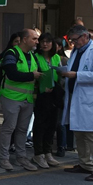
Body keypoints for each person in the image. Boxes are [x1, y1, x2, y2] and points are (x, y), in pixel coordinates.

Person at [60, 25, 93, 181]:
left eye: (75, 40)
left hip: (90, 100)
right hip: (76, 97)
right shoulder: (76, 51)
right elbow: (77, 67)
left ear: (85, 36)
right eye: (71, 40)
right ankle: (85, 164)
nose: (73, 43)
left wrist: (76, 75)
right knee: (79, 133)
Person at [0, 28, 41, 172]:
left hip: (27, 98)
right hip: (11, 97)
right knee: (9, 128)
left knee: (22, 129)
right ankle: (4, 158)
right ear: (24, 39)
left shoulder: (33, 55)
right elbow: (11, 74)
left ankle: (21, 157)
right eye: (34, 39)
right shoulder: (12, 53)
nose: (37, 41)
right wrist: (32, 76)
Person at [30, 33, 62, 169]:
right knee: (40, 124)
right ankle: (38, 154)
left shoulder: (56, 58)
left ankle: (48, 152)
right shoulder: (35, 57)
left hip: (54, 94)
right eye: (42, 41)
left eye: (48, 41)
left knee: (52, 124)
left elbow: (60, 73)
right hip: (41, 94)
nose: (45, 44)